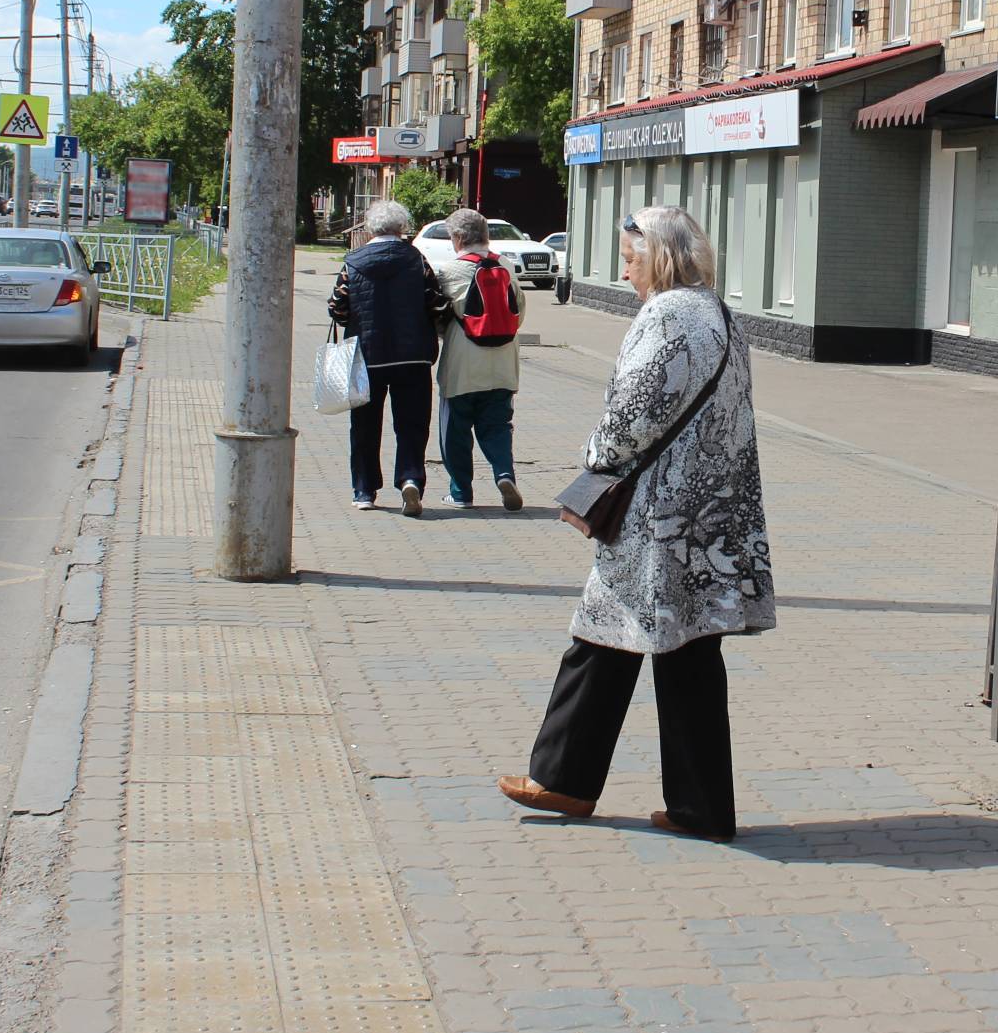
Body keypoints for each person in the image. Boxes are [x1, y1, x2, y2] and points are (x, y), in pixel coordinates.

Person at [499, 205, 772, 841]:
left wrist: (596, 459)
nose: (625, 273)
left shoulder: (667, 314)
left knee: (620, 640)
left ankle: (572, 781)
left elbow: (633, 411)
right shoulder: (719, 314)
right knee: (670, 650)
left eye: (631, 259)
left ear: (661, 257)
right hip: (711, 514)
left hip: (660, 518)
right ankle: (681, 803)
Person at [327, 199, 449, 514]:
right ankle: (410, 479)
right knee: (411, 424)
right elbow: (435, 303)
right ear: (402, 228)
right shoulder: (416, 260)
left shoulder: (353, 262)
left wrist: (354, 320)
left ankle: (364, 490)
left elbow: (337, 306)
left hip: (367, 357)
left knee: (365, 425)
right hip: (413, 357)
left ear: (370, 228)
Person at [434, 206, 525, 510]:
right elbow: (519, 313)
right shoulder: (507, 266)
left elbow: (438, 318)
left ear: (459, 238)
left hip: (463, 363)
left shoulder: (450, 271)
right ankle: (504, 473)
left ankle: (460, 493)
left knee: (455, 430)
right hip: (503, 363)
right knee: (498, 426)